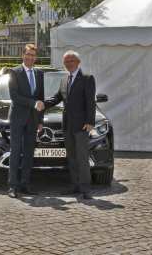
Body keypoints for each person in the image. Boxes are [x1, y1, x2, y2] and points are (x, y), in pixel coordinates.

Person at [44, 50, 95, 200]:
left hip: (82, 126)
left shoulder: (87, 78)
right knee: (71, 158)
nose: (68, 64)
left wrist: (90, 122)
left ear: (78, 62)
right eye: (66, 61)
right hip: (67, 125)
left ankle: (86, 189)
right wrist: (41, 104)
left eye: (71, 61)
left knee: (82, 158)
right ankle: (75, 186)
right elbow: (56, 98)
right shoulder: (64, 80)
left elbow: (90, 102)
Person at [7, 44, 44, 198]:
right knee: (15, 152)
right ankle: (12, 187)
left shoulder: (39, 73)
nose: (30, 57)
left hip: (33, 120)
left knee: (29, 153)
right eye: (28, 54)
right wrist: (32, 103)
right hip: (17, 118)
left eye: (33, 55)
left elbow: (41, 97)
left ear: (36, 57)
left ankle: (25, 185)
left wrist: (40, 120)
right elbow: (14, 96)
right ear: (23, 55)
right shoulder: (14, 72)